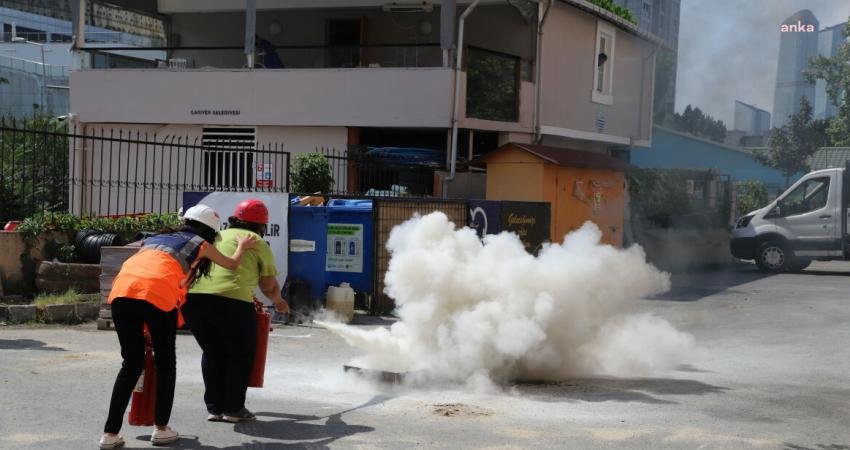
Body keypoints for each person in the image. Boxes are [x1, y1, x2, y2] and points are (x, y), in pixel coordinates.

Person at [99, 205, 258, 450]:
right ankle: (161, 429)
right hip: (157, 295)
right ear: (210, 230)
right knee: (165, 364)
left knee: (131, 364)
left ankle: (109, 434)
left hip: (121, 293)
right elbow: (232, 264)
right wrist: (242, 246)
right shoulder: (201, 244)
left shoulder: (153, 238)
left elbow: (146, 271)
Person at [183, 199, 290, 423]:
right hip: (232, 303)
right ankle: (233, 409)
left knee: (212, 352)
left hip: (194, 301)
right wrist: (279, 302)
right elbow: (268, 286)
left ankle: (214, 408)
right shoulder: (257, 241)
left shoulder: (216, 236)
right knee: (239, 355)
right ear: (262, 225)